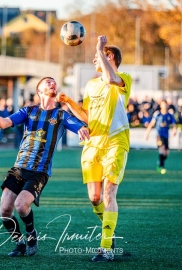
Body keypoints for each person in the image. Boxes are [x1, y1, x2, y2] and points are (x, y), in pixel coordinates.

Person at [0, 77, 89, 257]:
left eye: (54, 82)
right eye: (48, 82)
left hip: (39, 172)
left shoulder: (61, 115)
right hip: (19, 168)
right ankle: (19, 243)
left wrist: (82, 128)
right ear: (39, 90)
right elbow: (4, 123)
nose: (53, 83)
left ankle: (31, 233)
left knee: (21, 205)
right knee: (4, 211)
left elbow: (81, 124)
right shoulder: (29, 111)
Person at [56, 35, 132, 262]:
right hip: (92, 145)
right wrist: (69, 102)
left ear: (109, 57)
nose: (93, 61)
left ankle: (105, 247)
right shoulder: (90, 85)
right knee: (94, 197)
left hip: (116, 142)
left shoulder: (123, 78)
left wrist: (99, 47)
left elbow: (110, 78)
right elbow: (87, 117)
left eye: (97, 57)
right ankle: (110, 228)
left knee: (109, 192)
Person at [144, 99, 177, 174]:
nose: (164, 106)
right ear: (161, 105)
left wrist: (174, 130)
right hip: (159, 135)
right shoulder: (157, 114)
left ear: (167, 105)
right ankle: (162, 167)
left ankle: (159, 162)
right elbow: (152, 124)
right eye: (163, 104)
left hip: (166, 135)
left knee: (166, 153)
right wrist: (147, 133)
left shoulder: (169, 115)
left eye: (165, 104)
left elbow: (173, 124)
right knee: (161, 148)